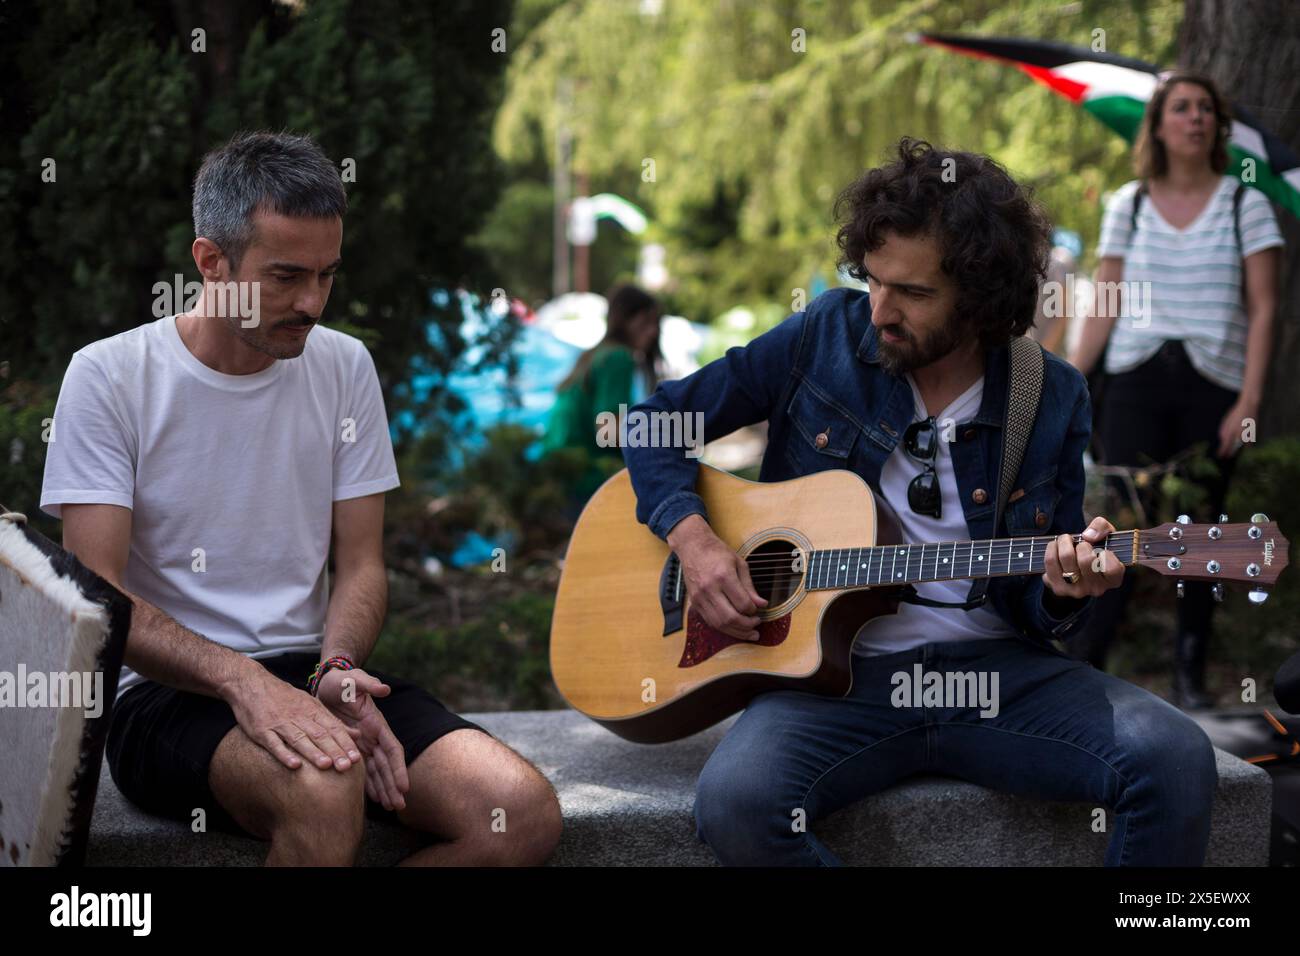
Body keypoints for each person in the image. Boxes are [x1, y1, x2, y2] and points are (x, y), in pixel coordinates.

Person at [622, 137, 1219, 866]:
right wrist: (697, 540)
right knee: (738, 802)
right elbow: (652, 423)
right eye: (873, 280)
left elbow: (1044, 598)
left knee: (1177, 758)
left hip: (999, 676)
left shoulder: (1050, 393)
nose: (880, 311)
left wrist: (1065, 592)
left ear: (978, 298)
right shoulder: (824, 336)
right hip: (829, 685)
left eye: (912, 293)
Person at [40, 131, 562, 865]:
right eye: (285, 276)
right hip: (158, 696)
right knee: (324, 790)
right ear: (210, 260)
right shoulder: (109, 377)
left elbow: (360, 565)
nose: (311, 302)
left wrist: (338, 669)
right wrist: (243, 683)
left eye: (326, 275)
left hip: (310, 672)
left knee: (520, 813)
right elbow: (101, 600)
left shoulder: (345, 367)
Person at [1067, 72, 1283, 710]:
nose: (1195, 118)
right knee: (1122, 523)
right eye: (1181, 108)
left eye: (1206, 109)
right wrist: (1072, 382)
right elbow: (1103, 301)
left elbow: (1265, 310)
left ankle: (1190, 675)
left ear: (1218, 126)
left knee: (1201, 531)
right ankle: (1089, 667)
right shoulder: (1127, 203)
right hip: (1134, 383)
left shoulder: (1247, 204)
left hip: (1213, 386)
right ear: (1157, 125)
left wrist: (1248, 403)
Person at [543, 283, 661, 503]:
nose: (653, 331)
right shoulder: (618, 358)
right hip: (588, 479)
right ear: (624, 321)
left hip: (560, 472)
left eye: (655, 323)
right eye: (645, 322)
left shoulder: (594, 354)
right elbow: (609, 430)